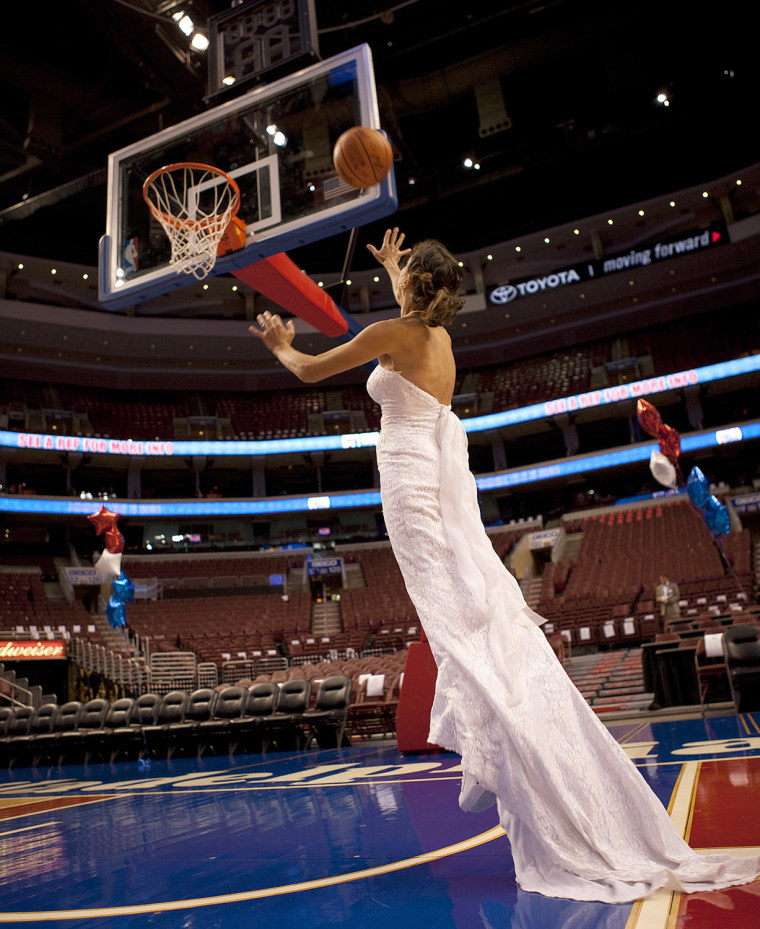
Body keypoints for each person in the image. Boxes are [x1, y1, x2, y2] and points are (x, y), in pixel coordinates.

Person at [249, 228, 760, 903]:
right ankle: (503, 751)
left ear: (412, 292)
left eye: (404, 279)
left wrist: (281, 344)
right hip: (427, 482)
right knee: (472, 633)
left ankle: (501, 752)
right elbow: (415, 312)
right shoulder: (438, 341)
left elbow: (313, 370)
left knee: (464, 640)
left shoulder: (393, 335)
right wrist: (401, 266)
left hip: (409, 490)